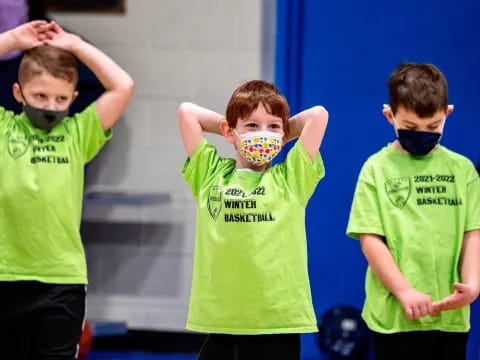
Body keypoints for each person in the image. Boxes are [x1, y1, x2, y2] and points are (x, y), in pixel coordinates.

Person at [0, 20, 134, 359]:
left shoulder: (79, 133)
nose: (49, 106)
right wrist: (13, 40)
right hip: (5, 276)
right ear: (19, 93)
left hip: (61, 280)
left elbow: (122, 85)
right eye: (39, 96)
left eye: (61, 98)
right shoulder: (4, 128)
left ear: (74, 99)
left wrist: (75, 45)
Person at [178, 80, 328, 360]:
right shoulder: (210, 174)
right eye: (252, 125)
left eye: (272, 127)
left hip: (276, 325)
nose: (263, 134)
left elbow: (317, 115)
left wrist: (282, 133)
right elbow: (187, 112)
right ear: (229, 131)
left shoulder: (291, 179)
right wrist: (232, 129)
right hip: (222, 324)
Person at [346, 63, 480, 360]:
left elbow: (473, 233)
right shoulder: (376, 168)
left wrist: (471, 285)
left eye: (433, 127)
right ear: (389, 115)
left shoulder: (463, 169)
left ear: (448, 113)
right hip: (396, 319)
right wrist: (404, 290)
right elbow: (370, 238)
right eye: (410, 127)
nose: (422, 134)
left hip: (450, 317)